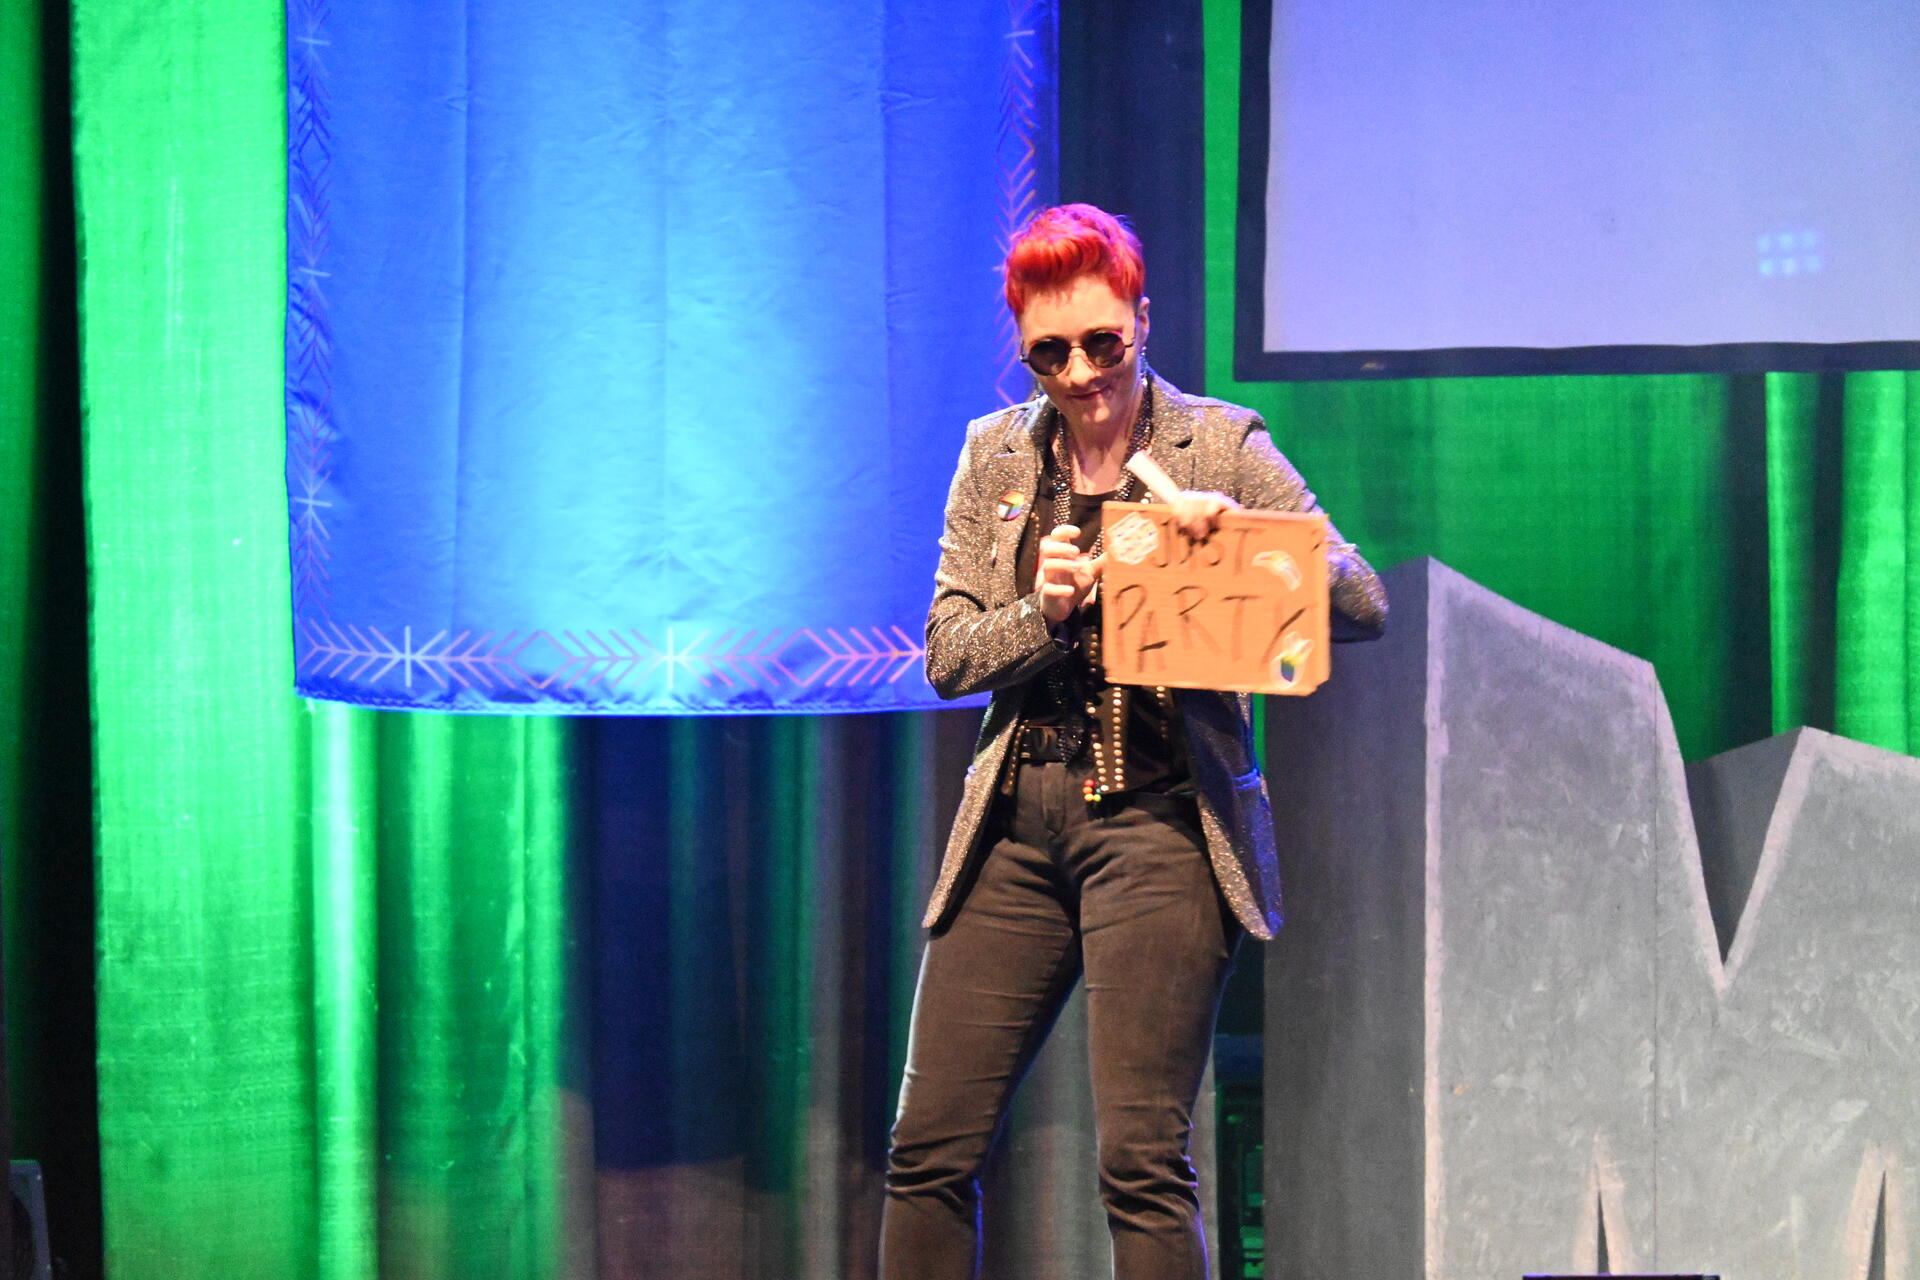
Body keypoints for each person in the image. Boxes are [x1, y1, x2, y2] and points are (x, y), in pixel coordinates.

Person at [879, 204, 1387, 1280]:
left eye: (1102, 343)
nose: (1080, 373)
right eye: (1050, 352)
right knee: (927, 1152)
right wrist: (1045, 613)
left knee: (1142, 1163)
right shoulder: (995, 455)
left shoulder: (1219, 443)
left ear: (1143, 321)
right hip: (1017, 826)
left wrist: (1244, 546)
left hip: (1160, 825)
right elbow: (947, 655)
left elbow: (1361, 599)